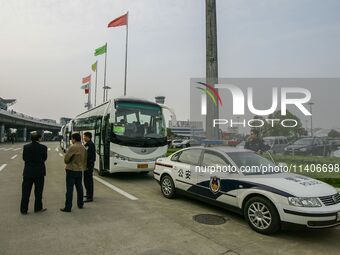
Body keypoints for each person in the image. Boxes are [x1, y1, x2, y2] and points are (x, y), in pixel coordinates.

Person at [20, 132, 47, 214]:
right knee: (38, 192)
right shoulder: (43, 147)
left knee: (25, 192)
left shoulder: (26, 147)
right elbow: (44, 158)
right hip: (39, 173)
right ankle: (38, 208)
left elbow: (24, 158)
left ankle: (24, 210)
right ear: (39, 139)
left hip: (28, 172)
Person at [60, 133, 87, 212]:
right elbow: (85, 159)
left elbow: (66, 160)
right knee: (79, 188)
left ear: (74, 139)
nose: (71, 140)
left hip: (71, 170)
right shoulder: (83, 147)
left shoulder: (72, 147)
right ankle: (80, 203)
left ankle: (68, 207)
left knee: (69, 189)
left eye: (72, 139)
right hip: (79, 170)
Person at [83, 132, 96, 203]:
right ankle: (88, 194)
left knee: (88, 181)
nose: (84, 138)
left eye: (84, 137)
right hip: (87, 165)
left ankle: (90, 197)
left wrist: (88, 165)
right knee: (86, 180)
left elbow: (90, 156)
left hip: (88, 166)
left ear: (88, 137)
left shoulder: (90, 145)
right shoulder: (88, 144)